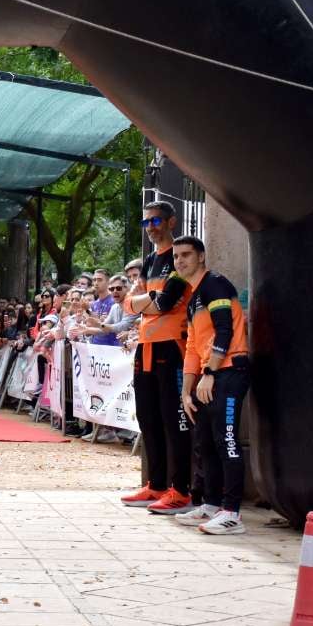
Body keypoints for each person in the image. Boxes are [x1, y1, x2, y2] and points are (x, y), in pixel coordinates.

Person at [119, 201, 195, 514]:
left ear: (171, 222)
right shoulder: (149, 260)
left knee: (173, 419)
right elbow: (126, 303)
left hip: (172, 346)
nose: (151, 227)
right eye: (146, 222)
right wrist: (147, 300)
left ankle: (181, 490)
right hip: (146, 346)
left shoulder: (179, 258)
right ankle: (157, 484)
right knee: (148, 417)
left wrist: (145, 302)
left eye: (157, 221)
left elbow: (165, 304)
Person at [172, 237, 251, 534]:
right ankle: (212, 504)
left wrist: (210, 373)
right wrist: (185, 391)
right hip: (210, 376)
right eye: (176, 256)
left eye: (186, 255)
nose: (180, 261)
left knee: (226, 441)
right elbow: (192, 346)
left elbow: (225, 330)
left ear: (201, 256)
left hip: (229, 372)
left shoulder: (215, 284)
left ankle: (232, 514)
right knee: (205, 442)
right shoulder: (193, 297)